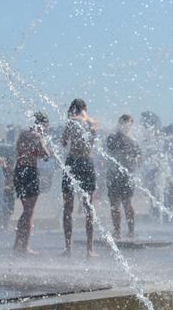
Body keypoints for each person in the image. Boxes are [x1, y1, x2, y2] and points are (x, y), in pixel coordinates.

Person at [60, 98, 100, 255]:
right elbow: (92, 142)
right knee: (89, 207)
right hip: (87, 163)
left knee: (68, 207)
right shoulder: (94, 123)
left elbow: (63, 142)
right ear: (85, 108)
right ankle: (90, 249)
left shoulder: (71, 121)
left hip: (72, 162)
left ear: (73, 108)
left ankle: (68, 248)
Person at [12, 112, 49, 254]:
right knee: (29, 212)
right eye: (46, 125)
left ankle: (17, 243)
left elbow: (20, 151)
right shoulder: (37, 136)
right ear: (41, 124)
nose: (46, 128)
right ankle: (25, 246)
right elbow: (45, 155)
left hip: (19, 170)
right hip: (30, 172)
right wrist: (46, 150)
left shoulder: (22, 135)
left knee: (25, 211)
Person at [106, 114, 142, 241]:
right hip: (116, 175)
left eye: (129, 124)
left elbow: (139, 159)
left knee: (125, 203)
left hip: (124, 175)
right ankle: (119, 232)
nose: (127, 127)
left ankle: (127, 231)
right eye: (125, 124)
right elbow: (109, 151)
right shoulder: (115, 138)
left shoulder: (131, 140)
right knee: (118, 204)